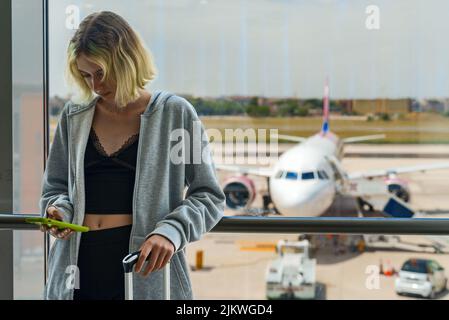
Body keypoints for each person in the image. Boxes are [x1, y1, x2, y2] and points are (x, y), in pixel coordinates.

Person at [39, 11, 225, 300]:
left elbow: (209, 195)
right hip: (75, 266)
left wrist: (171, 232)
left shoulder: (175, 114)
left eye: (101, 72)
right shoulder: (73, 116)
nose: (95, 86)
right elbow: (55, 189)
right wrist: (58, 211)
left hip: (143, 266)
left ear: (126, 60)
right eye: (86, 75)